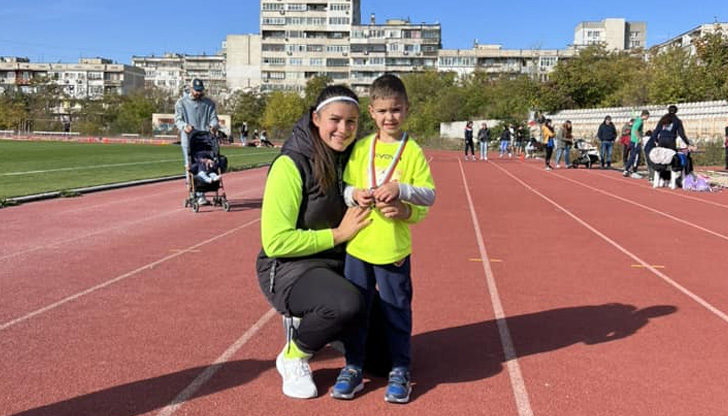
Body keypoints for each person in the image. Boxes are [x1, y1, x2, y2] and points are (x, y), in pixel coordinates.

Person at [255, 85, 372, 400]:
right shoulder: (291, 164)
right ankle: (294, 354)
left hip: (340, 264)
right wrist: (338, 234)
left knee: (381, 359)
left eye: (351, 123)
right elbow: (276, 242)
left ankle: (327, 326)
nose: (343, 130)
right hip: (291, 268)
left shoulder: (354, 157)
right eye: (335, 120)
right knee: (345, 304)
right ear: (315, 118)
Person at [333, 74, 436, 404]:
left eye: (396, 110)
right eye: (382, 111)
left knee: (396, 310)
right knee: (357, 311)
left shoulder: (413, 152)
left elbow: (429, 195)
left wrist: (402, 199)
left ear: (407, 110)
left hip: (392, 248)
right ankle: (353, 365)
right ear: (371, 112)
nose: (389, 117)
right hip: (359, 246)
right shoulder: (362, 147)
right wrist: (355, 195)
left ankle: (401, 368)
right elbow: (345, 188)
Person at [175, 78, 219, 204]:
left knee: (205, 163)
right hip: (189, 139)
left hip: (205, 139)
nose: (198, 93)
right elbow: (178, 119)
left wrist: (213, 125)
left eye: (200, 91)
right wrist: (184, 126)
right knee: (190, 164)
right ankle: (195, 193)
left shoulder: (209, 103)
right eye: (196, 90)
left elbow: (213, 118)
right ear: (191, 89)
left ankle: (202, 191)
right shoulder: (181, 103)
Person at [623, 110, 649, 178]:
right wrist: (639, 138)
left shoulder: (637, 119)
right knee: (636, 156)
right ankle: (633, 171)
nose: (648, 118)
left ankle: (627, 169)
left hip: (633, 140)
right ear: (645, 115)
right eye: (647, 116)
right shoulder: (640, 121)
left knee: (633, 156)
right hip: (635, 141)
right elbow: (635, 130)